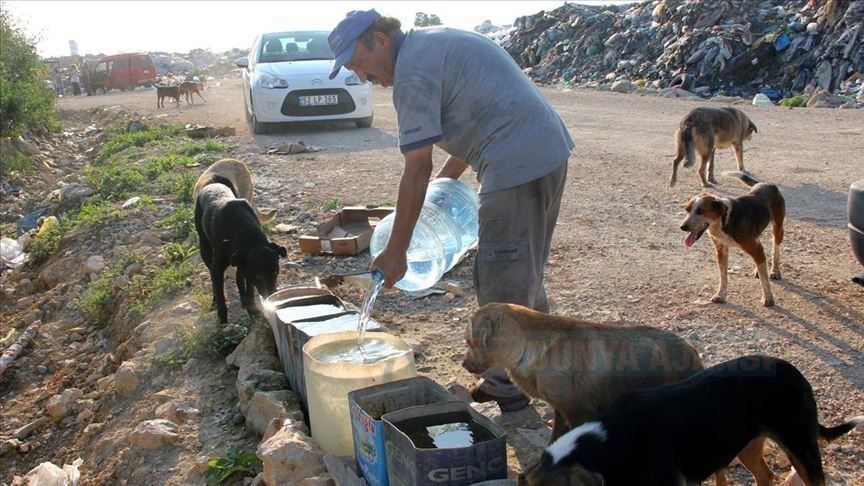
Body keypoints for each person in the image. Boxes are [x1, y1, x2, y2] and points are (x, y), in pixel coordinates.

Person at [328, 10, 574, 411]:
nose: (361, 77)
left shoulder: (410, 74)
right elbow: (473, 116)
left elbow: (417, 166)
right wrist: (441, 192)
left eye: (358, 64)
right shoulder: (429, 44)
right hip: (542, 151)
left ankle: (508, 386)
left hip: (516, 161)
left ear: (381, 40)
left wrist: (397, 250)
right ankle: (538, 372)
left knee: (500, 276)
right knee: (523, 273)